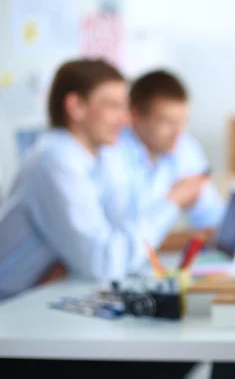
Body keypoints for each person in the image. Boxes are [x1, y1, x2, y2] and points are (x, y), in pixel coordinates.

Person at [0, 59, 205, 301]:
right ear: (76, 106)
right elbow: (106, 261)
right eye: (113, 106)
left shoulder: (91, 160)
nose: (125, 119)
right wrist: (171, 203)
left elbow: (114, 235)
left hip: (31, 299)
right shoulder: (56, 160)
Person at [101, 69, 225, 244]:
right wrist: (174, 200)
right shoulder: (110, 151)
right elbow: (121, 238)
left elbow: (211, 217)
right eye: (167, 122)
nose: (178, 132)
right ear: (135, 115)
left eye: (182, 121)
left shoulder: (185, 147)